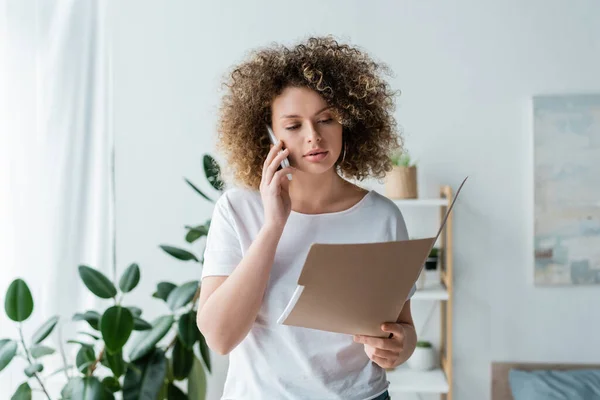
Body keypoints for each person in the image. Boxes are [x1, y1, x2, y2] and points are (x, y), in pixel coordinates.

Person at [196, 35, 417, 400]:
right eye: (294, 125)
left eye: (327, 119)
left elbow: (401, 330)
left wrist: (399, 346)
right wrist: (273, 226)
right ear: (268, 136)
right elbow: (220, 337)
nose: (314, 137)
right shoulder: (237, 209)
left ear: (348, 123)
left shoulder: (381, 216)